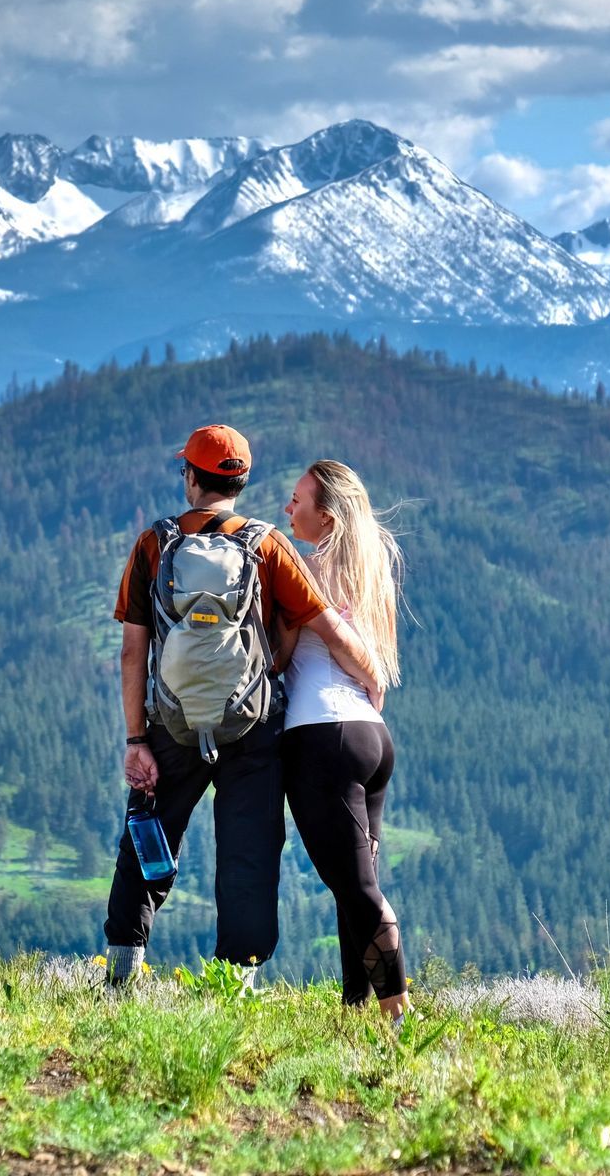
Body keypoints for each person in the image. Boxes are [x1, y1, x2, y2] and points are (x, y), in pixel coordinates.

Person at [102, 425, 384, 986]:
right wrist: (372, 680)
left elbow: (133, 652)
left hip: (173, 725)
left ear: (191, 478)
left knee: (147, 837)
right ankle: (236, 987)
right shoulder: (268, 546)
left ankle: (120, 977)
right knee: (249, 853)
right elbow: (330, 630)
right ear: (240, 480)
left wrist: (138, 741)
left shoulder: (153, 545)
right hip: (251, 729)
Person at [279, 459, 412, 1017]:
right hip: (371, 737)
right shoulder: (368, 573)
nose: (288, 508)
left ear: (326, 517)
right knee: (354, 883)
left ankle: (399, 1018)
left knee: (358, 890)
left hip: (320, 737)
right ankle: (356, 1009)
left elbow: (283, 656)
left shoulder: (303, 572)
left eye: (297, 501)